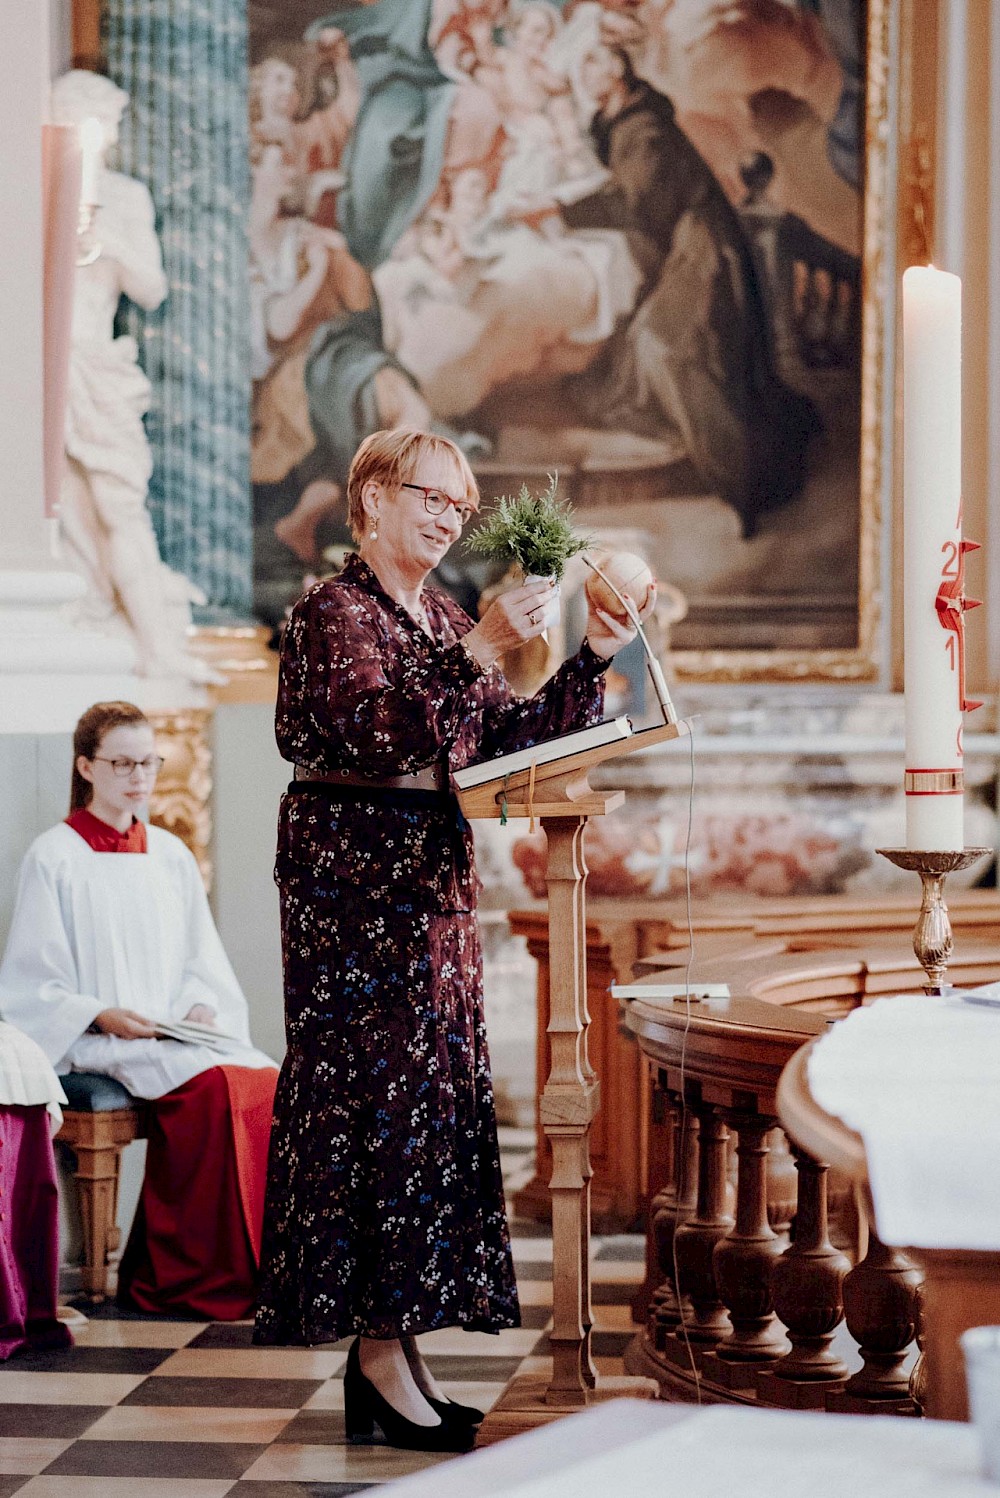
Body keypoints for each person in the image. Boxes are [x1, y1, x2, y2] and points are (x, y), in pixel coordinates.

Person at [253, 427, 654, 1450]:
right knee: (371, 1114)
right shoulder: (327, 614)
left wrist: (592, 656)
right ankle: (378, 1359)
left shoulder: (431, 611)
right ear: (374, 497)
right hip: (353, 897)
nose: (447, 518)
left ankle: (398, 1358)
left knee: (423, 1118)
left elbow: (508, 737)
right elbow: (374, 731)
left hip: (428, 888)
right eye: (433, 498)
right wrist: (476, 643)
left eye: (460, 507)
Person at [0, 702, 279, 1319]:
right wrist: (100, 1012)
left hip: (170, 1032)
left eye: (148, 762)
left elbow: (198, 960)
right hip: (102, 1037)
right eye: (121, 762)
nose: (138, 776)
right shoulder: (56, 856)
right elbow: (32, 979)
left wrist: (202, 1005)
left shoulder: (171, 855)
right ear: (86, 766)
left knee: (264, 1081)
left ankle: (261, 1271)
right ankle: (185, 1277)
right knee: (213, 1092)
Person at [515, 43, 820, 537]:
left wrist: (557, 212)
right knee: (635, 351)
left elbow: (636, 202)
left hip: (703, 252)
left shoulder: (646, 130)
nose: (583, 71)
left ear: (616, 69)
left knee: (666, 348)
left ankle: (743, 483)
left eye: (591, 59)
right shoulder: (618, 123)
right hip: (681, 245)